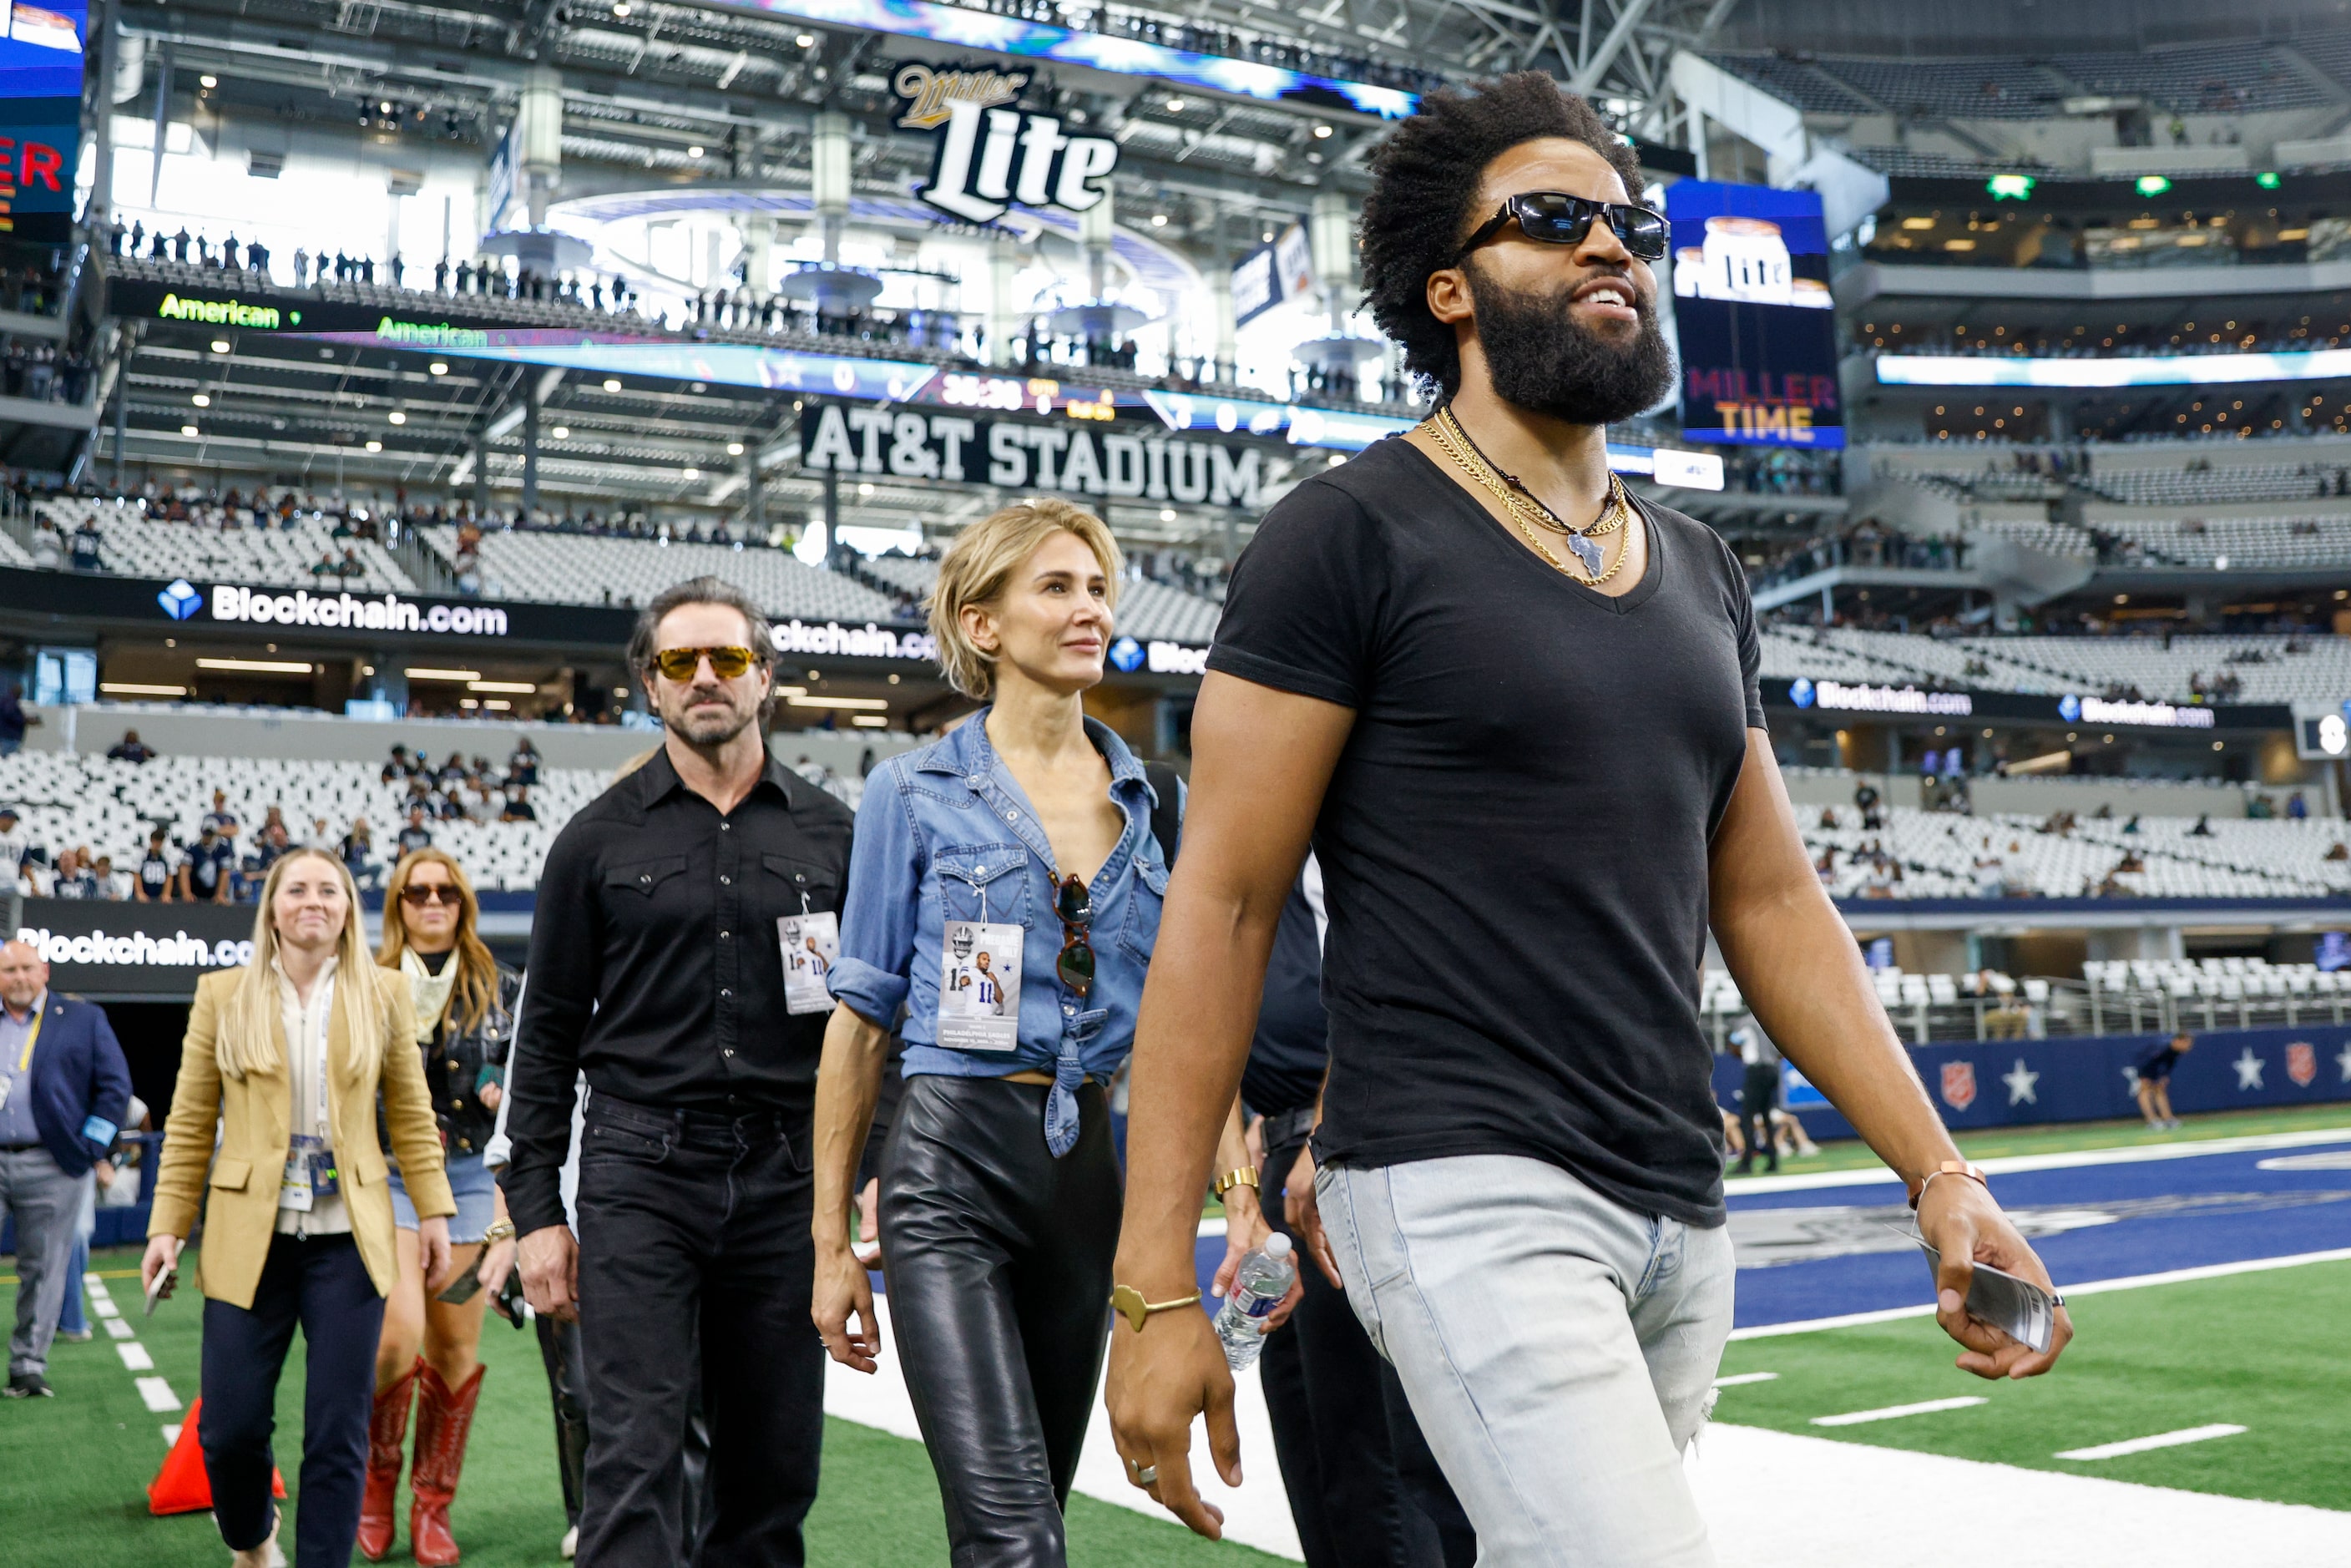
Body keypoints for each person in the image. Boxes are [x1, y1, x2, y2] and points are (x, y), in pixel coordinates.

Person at [1101, 73, 2072, 1561]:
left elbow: (1767, 900)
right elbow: (1225, 909)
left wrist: (1943, 1175)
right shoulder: (1344, 535)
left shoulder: (1696, 566)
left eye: (1630, 221)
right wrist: (1156, 1280)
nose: (1609, 245)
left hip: (1681, 1197)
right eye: (1552, 220)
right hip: (1449, 1173)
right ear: (1450, 289)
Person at [811, 500, 1236, 1566]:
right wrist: (828, 1247)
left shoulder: (1158, 805)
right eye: (1056, 587)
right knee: (1013, 1540)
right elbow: (858, 1031)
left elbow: (1188, 1024)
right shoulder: (906, 794)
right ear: (982, 624)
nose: (1090, 608)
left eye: (1096, 586)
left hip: (1089, 1175)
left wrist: (1239, 1201)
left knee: (1033, 1511)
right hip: (947, 1170)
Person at [505, 577, 854, 1568]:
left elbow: (870, 1030)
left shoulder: (837, 836)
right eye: (679, 663)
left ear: (765, 678)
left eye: (729, 659)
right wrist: (536, 1212)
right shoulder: (593, 842)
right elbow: (548, 1036)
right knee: (633, 1458)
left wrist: (863, 1172)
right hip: (639, 1173)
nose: (706, 678)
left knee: (773, 1468)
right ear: (649, 688)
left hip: (788, 1185)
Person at [143, 850, 456, 1568]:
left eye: (329, 889)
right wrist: (167, 1226)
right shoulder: (222, 994)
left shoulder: (382, 991)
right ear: (272, 906)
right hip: (247, 1240)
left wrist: (434, 1211)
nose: (312, 901)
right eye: (297, 889)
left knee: (337, 1430)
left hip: (350, 1239)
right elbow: (190, 1121)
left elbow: (410, 1112)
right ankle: (251, 1540)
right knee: (229, 1429)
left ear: (348, 907)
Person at [1252, 856, 1474, 1568]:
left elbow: (1390, 968)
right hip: (1287, 1150)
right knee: (1319, 1448)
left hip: (1366, 1141)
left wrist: (1328, 1117)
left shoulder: (1373, 806)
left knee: (1381, 1453)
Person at [360, 848, 525, 1565]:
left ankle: (433, 1505)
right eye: (417, 891)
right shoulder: (362, 984)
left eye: (447, 891)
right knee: (395, 1336)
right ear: (398, 904)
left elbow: (531, 1087)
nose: (433, 902)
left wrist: (509, 1205)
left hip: (469, 1179)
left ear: (464, 903)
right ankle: (376, 1484)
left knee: (455, 1346)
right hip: (387, 1175)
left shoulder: (504, 987)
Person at [0, 939, 132, 1398]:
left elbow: (115, 1086)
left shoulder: (83, 1018)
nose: (18, 977)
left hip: (53, 1162)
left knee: (45, 1268)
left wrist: (91, 1146)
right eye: (9, 969)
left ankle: (28, 1367)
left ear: (45, 971)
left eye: (26, 968)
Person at [1731, 1014, 1781, 1176]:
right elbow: (1780, 1050)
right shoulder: (1768, 1019)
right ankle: (1773, 1159)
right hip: (1772, 1069)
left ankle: (1747, 1161)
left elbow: (1735, 1043)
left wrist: (1742, 1055)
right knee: (1766, 1116)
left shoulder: (1745, 1021)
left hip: (1756, 1070)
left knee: (1747, 1117)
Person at [2135, 1031, 2193, 1130]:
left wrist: (2164, 1076)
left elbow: (2169, 1063)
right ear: (2179, 1041)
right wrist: (2145, 1077)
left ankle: (2168, 1119)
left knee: (2160, 1090)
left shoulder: (2176, 1050)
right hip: (2145, 1065)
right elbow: (2149, 1061)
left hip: (2155, 1067)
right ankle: (2152, 1121)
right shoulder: (2163, 1047)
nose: (2189, 1047)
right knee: (2145, 1090)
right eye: (2187, 1043)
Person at [134, 827, 176, 902]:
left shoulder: (167, 857)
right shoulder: (142, 855)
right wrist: (140, 893)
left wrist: (166, 894)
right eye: (155, 841)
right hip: (145, 894)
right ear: (151, 840)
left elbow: (169, 876)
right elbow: (137, 875)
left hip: (159, 895)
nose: (157, 844)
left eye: (160, 841)